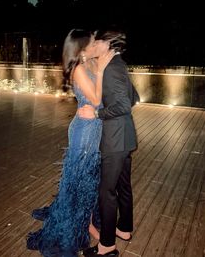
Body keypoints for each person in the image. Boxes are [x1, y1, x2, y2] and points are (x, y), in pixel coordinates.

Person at [26, 29, 115, 257]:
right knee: (79, 182)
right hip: (83, 131)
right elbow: (96, 100)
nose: (96, 43)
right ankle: (81, 226)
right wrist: (103, 69)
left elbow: (105, 96)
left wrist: (103, 64)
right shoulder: (78, 69)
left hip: (94, 127)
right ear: (82, 47)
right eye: (92, 41)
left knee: (88, 181)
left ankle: (87, 221)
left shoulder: (92, 63)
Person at [78, 29, 140, 257]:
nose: (94, 43)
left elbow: (124, 105)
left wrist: (96, 115)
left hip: (114, 140)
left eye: (98, 40)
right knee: (124, 186)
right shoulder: (119, 63)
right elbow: (134, 98)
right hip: (124, 136)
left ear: (108, 44)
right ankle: (124, 229)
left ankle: (106, 246)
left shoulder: (112, 68)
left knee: (107, 192)